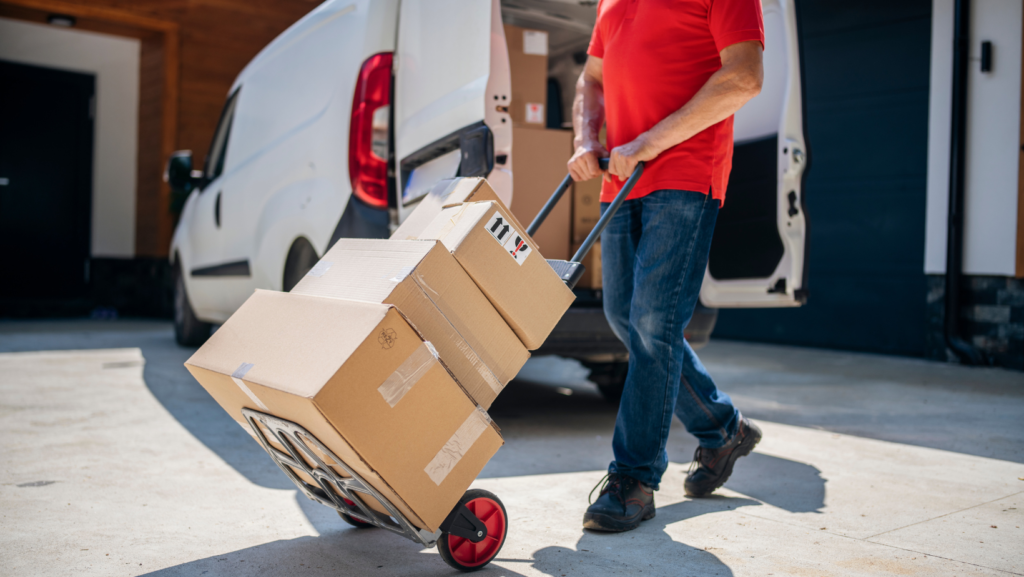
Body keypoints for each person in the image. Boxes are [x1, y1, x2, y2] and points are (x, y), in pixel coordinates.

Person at [567, 0, 766, 532]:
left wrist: (649, 141)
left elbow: (745, 76)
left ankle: (633, 480)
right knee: (626, 319)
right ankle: (723, 429)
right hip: (622, 179)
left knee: (654, 325)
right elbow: (592, 80)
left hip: (683, 174)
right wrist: (587, 137)